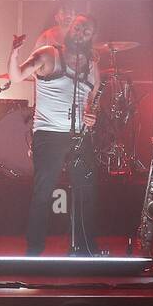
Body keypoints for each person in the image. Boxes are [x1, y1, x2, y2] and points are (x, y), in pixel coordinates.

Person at [8, 13, 101, 255]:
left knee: (86, 190)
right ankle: (35, 248)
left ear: (92, 37)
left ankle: (84, 246)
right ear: (70, 29)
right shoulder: (49, 54)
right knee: (43, 190)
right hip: (49, 134)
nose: (80, 34)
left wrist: (92, 115)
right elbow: (17, 76)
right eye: (78, 28)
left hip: (80, 135)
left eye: (86, 31)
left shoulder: (92, 64)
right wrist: (15, 53)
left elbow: (91, 100)